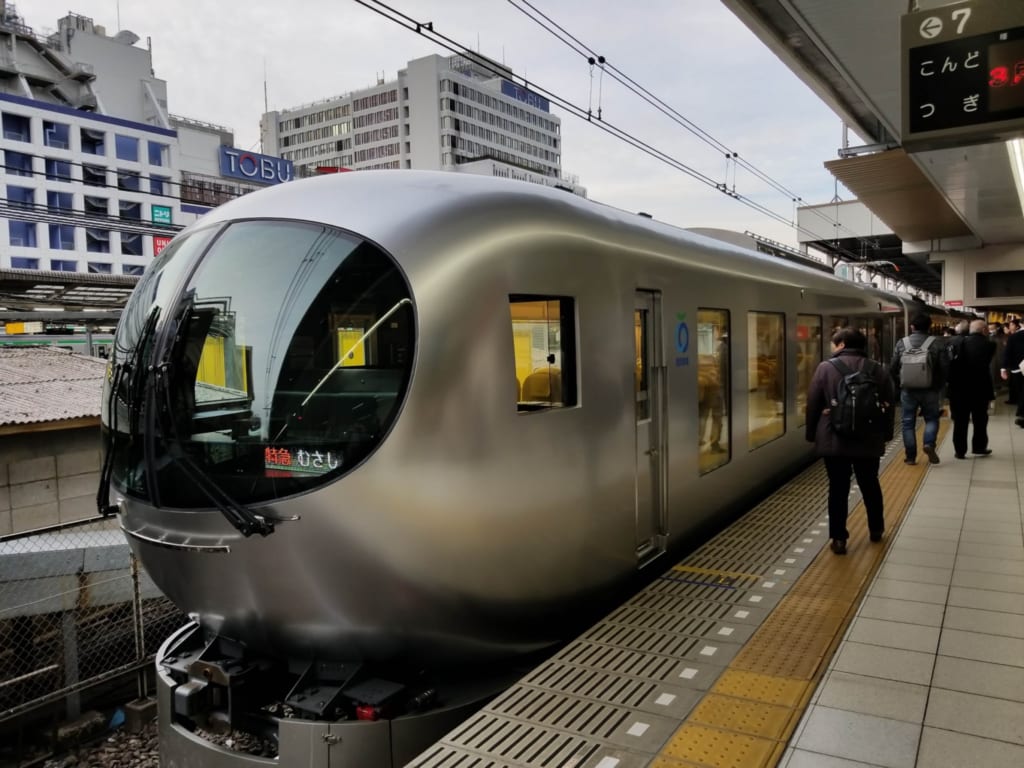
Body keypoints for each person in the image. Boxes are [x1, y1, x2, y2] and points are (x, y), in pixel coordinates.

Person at [806, 327, 894, 555]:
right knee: (870, 485)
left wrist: (811, 433)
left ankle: (838, 539)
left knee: (838, 488)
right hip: (869, 439)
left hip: (835, 438)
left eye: (834, 343)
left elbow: (813, 404)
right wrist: (885, 434)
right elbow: (888, 403)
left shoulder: (825, 368)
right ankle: (876, 529)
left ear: (842, 344)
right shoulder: (878, 369)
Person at [890, 313, 948, 465]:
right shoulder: (937, 343)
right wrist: (938, 386)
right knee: (931, 418)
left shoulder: (902, 343)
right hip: (930, 389)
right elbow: (945, 368)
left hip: (908, 390)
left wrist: (900, 382)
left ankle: (910, 457)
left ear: (912, 327)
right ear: (929, 327)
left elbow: (893, 367)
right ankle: (928, 443)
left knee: (908, 422)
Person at [947, 319, 996, 458]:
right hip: (980, 389)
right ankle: (979, 447)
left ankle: (960, 451)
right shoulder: (990, 345)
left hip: (959, 389)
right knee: (980, 420)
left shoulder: (956, 343)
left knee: (960, 422)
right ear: (984, 330)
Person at [1001, 318, 1024, 423]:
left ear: (1020, 324)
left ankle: (1022, 412)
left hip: (1018, 369)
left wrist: (1003, 368)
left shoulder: (1014, 337)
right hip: (1018, 368)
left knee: (1021, 391)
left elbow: (1008, 354)